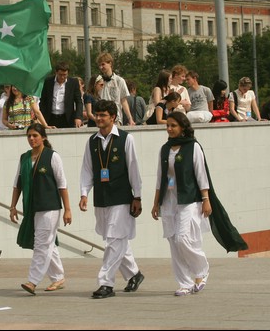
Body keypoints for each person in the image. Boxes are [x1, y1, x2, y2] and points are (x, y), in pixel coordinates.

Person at [151, 112, 248, 296]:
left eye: (173, 126)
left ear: (182, 127)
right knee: (173, 241)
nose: (170, 129)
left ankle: (201, 270)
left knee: (182, 238)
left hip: (189, 199)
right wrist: (156, 203)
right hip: (169, 200)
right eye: (168, 126)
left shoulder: (193, 147)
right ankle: (184, 283)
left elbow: (201, 174)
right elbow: (159, 178)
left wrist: (206, 199)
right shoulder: (165, 149)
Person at [79, 99, 144, 299]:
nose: (98, 118)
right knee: (115, 238)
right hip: (101, 197)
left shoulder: (126, 139)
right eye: (96, 115)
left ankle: (106, 283)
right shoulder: (92, 141)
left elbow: (133, 168)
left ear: (113, 117)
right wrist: (84, 193)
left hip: (122, 197)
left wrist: (137, 196)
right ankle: (134, 273)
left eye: (102, 115)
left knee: (114, 240)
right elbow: (87, 169)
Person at [9, 123, 72, 295]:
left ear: (43, 137)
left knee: (41, 243)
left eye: (35, 135)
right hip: (31, 207)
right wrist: (13, 206)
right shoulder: (24, 158)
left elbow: (62, 184)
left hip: (49, 207)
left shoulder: (52, 156)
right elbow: (17, 184)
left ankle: (33, 281)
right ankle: (58, 277)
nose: (31, 139)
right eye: (29, 136)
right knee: (47, 242)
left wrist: (67, 209)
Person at [38, 62, 83, 128]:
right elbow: (43, 100)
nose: (62, 77)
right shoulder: (48, 82)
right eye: (60, 74)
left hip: (66, 118)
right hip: (50, 118)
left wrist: (78, 117)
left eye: (65, 75)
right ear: (56, 72)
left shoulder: (73, 82)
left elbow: (78, 101)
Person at [96, 52, 135, 126]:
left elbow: (123, 101)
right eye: (100, 65)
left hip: (116, 119)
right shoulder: (98, 81)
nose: (101, 67)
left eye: (103, 64)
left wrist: (130, 118)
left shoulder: (119, 80)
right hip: (102, 117)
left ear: (110, 63)